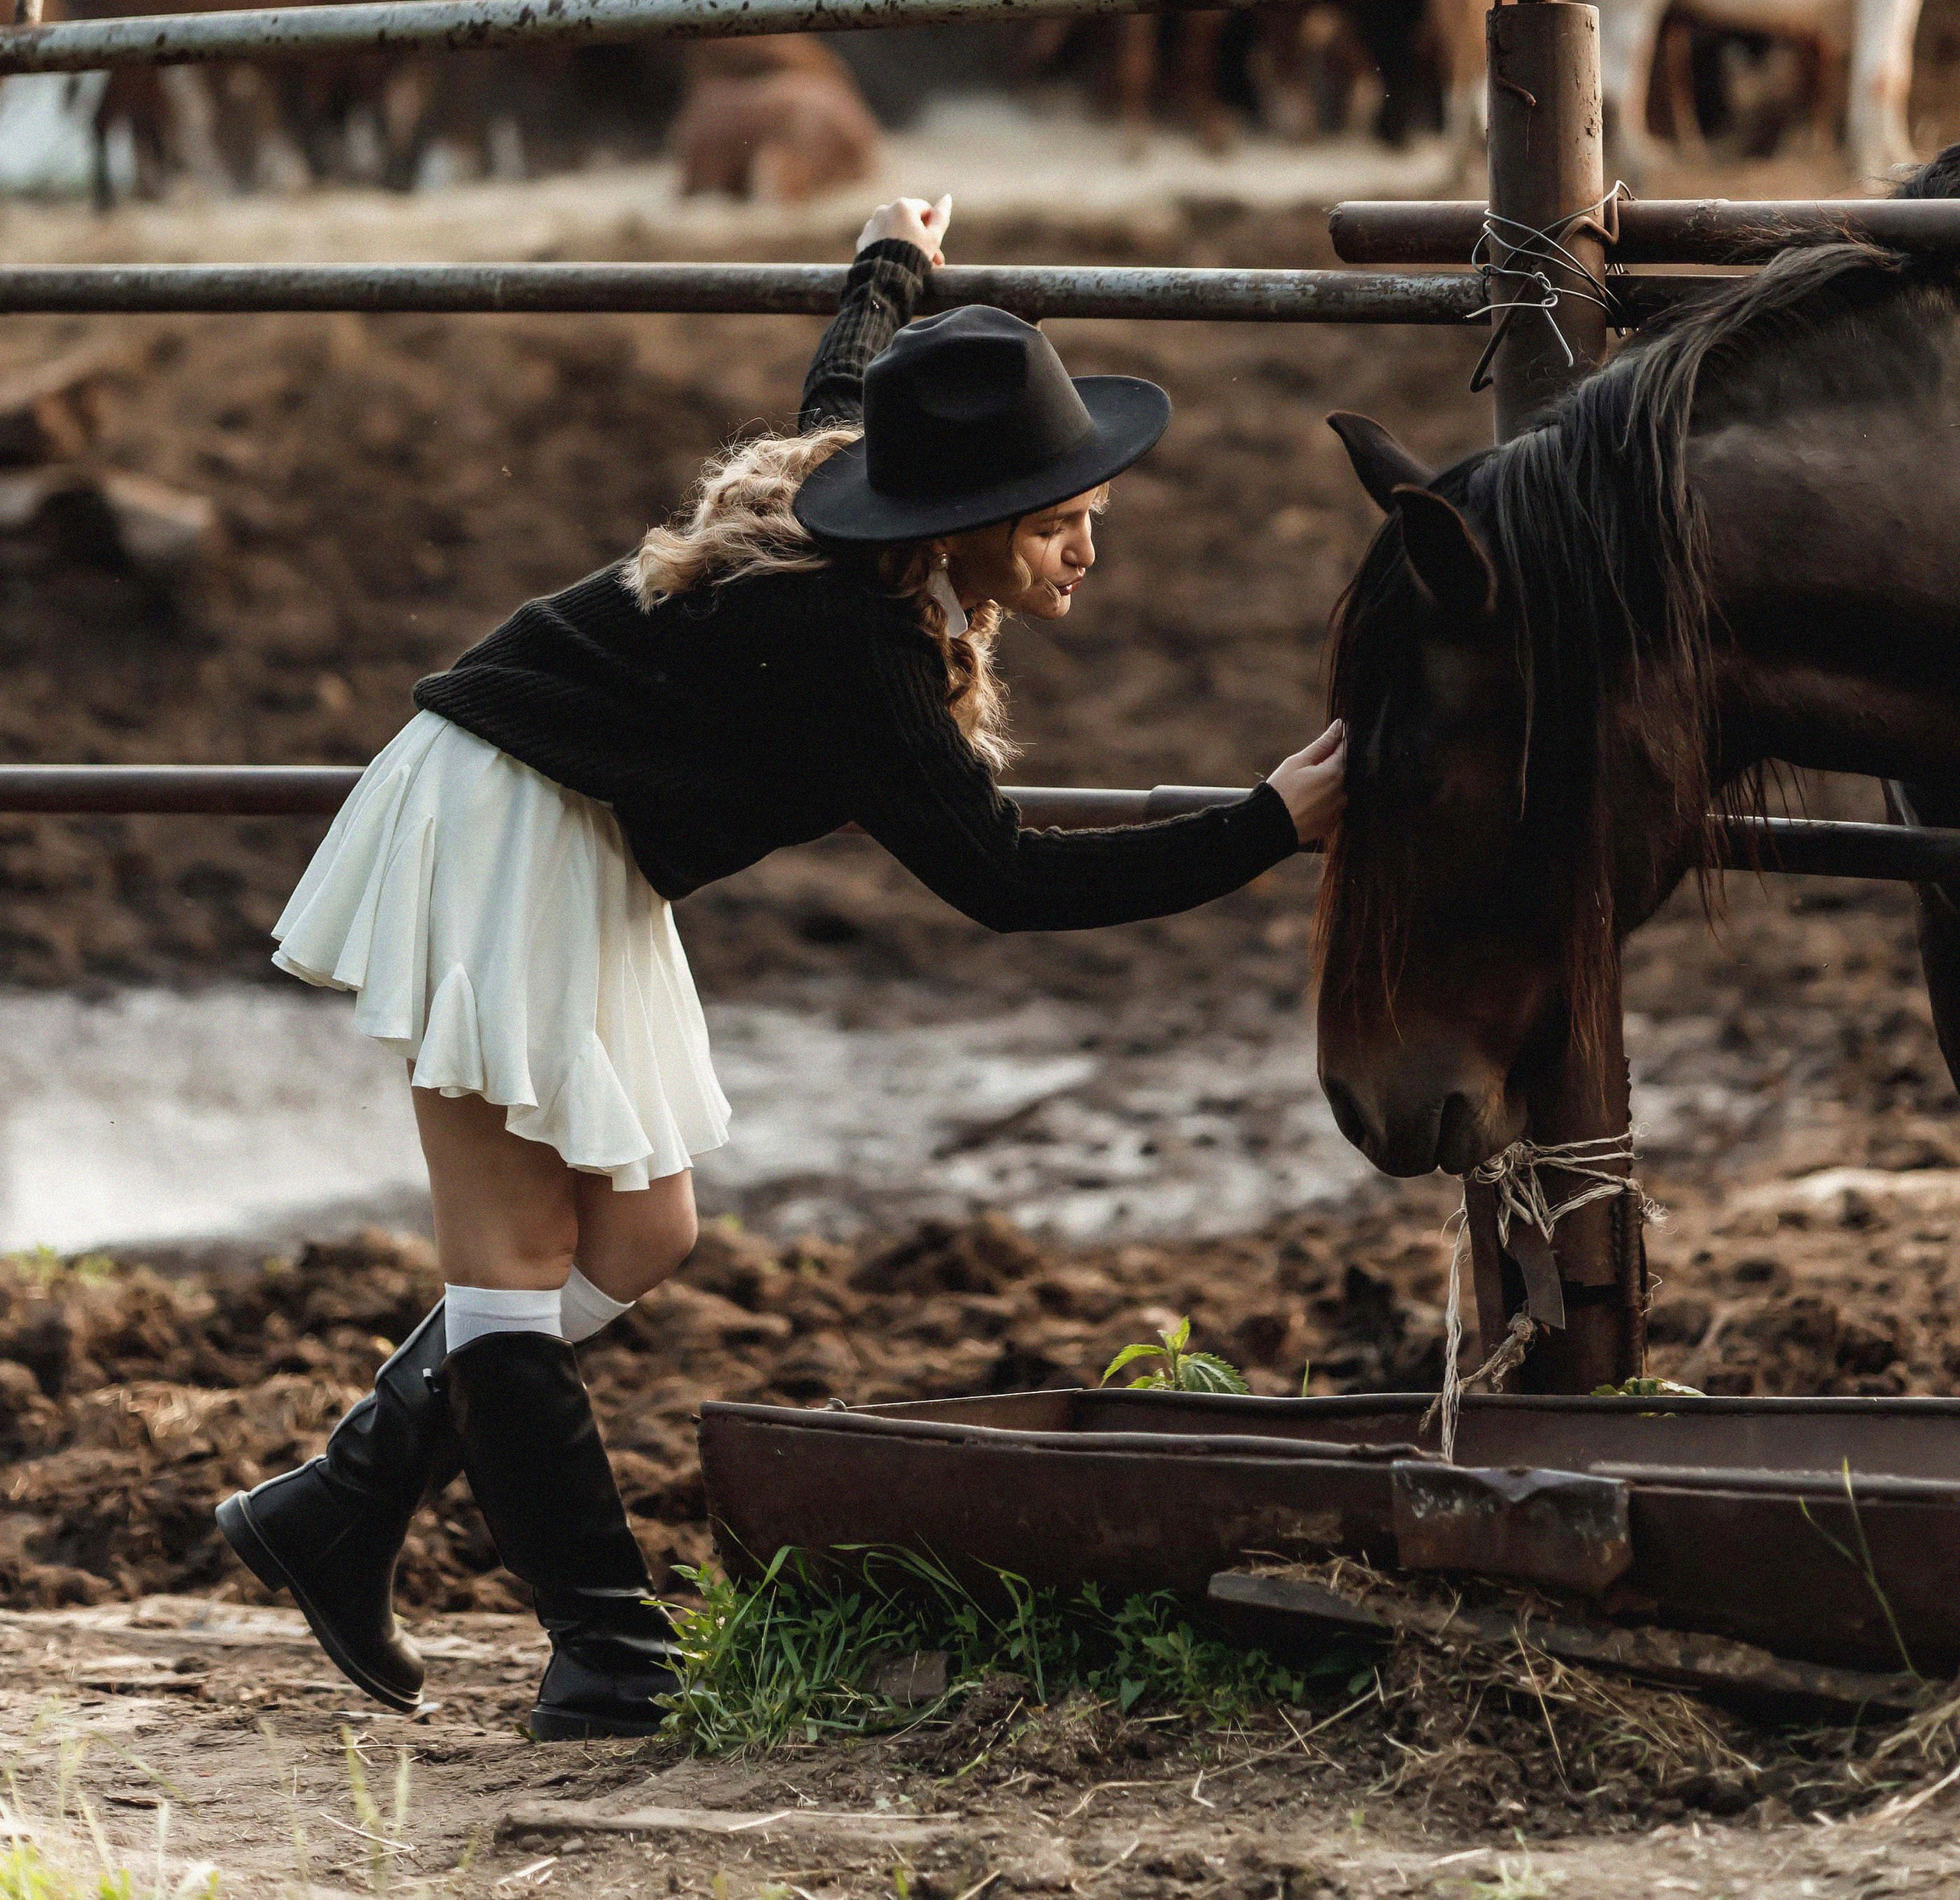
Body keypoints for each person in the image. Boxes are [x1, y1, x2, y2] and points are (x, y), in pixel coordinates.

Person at [215, 193, 1345, 1738]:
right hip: (499, 819)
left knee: (647, 1232)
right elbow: (1005, 882)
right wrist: (1266, 825)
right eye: (1060, 511)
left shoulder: (842, 496)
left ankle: (340, 1502)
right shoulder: (858, 654)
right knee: (513, 1262)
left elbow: (844, 388)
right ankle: (604, 1659)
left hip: (574, 835)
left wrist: (891, 265)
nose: (1092, 538)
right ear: (964, 527)